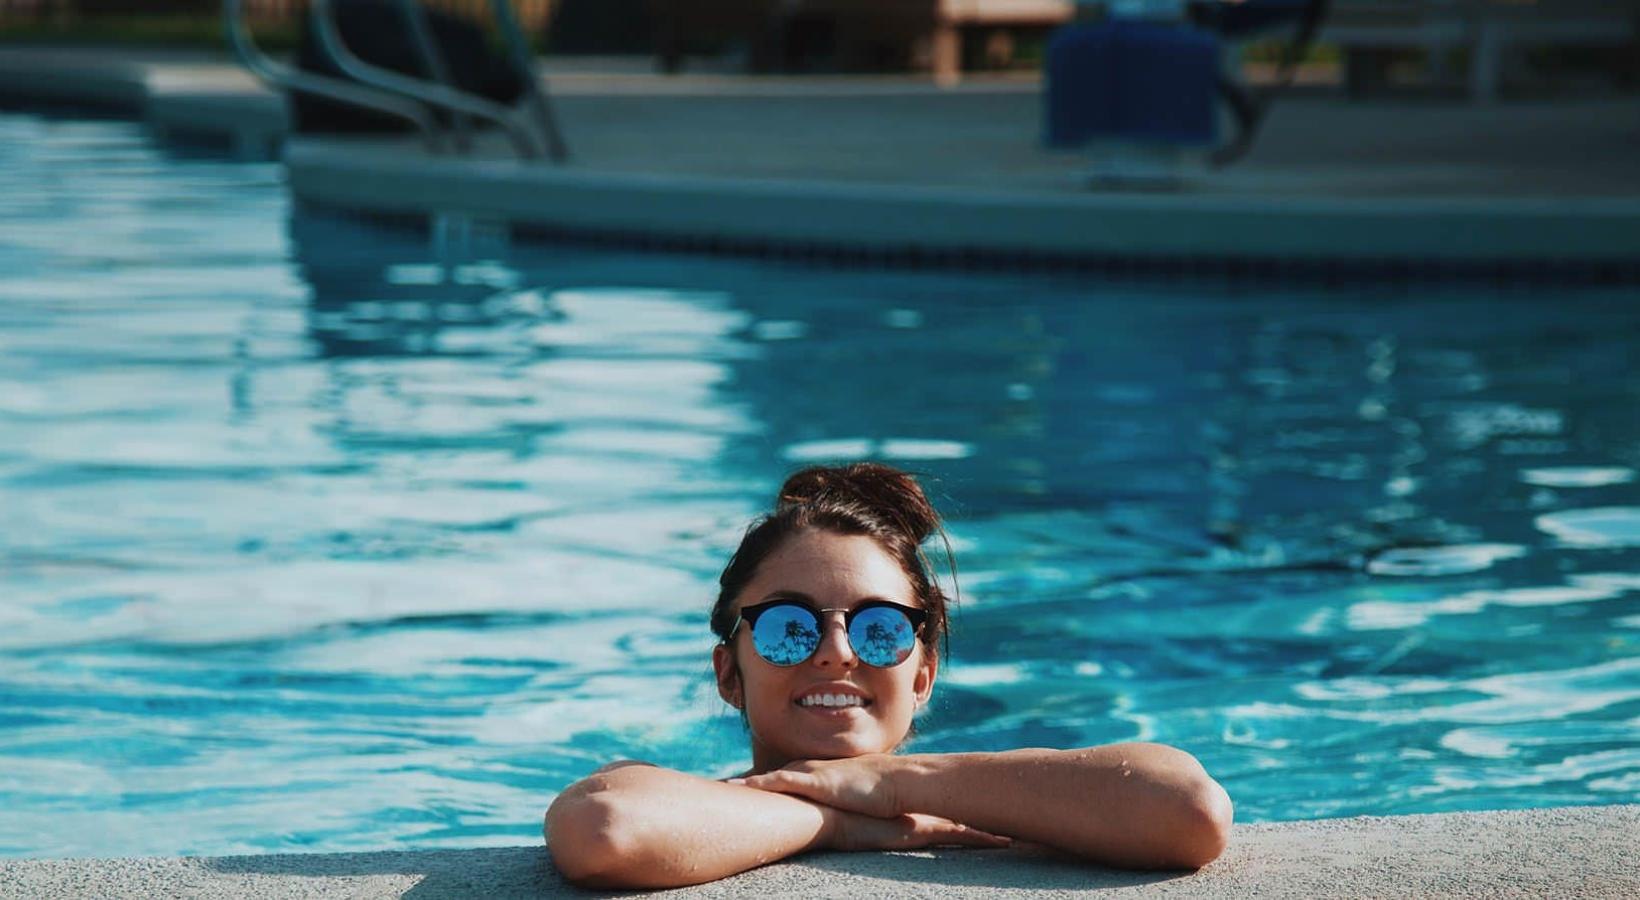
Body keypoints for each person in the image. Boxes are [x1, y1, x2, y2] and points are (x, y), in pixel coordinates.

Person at [545, 463, 1232, 888]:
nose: (838, 652)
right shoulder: (681, 804)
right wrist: (838, 823)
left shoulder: (1017, 800)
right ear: (730, 673)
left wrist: (891, 782)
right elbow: (607, 828)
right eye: (790, 627)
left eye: (880, 629)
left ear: (923, 674)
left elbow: (1188, 811)